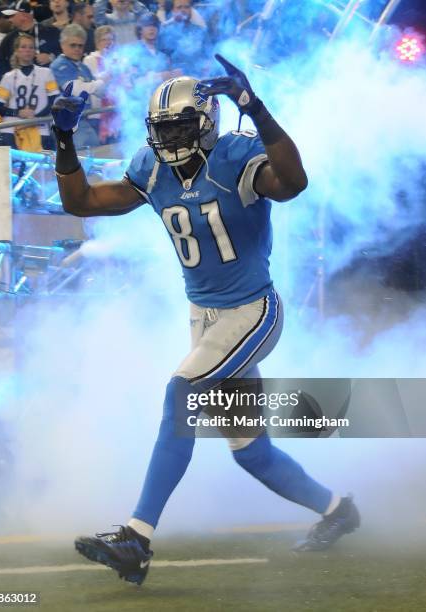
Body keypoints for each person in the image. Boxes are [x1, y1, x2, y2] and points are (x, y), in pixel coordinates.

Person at [51, 54, 360, 585]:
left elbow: (293, 182)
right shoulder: (151, 168)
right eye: (163, 128)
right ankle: (338, 511)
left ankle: (136, 538)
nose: (171, 138)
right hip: (206, 318)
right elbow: (82, 201)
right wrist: (63, 139)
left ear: (208, 121)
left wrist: (256, 108)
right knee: (252, 454)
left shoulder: (237, 155)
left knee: (181, 392)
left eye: (182, 125)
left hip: (253, 310)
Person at [0, 32, 59, 149]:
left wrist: (36, 118)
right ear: (16, 51)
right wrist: (18, 113)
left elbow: (53, 101)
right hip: (14, 125)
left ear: (35, 51)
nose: (28, 50)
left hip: (40, 123)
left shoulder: (46, 73)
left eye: (31, 47)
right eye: (23, 47)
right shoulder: (8, 77)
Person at [50, 23, 105, 148]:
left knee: (95, 155)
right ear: (62, 45)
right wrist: (100, 82)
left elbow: (101, 92)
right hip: (67, 123)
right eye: (73, 45)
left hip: (85, 121)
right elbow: (74, 88)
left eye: (80, 46)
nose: (77, 49)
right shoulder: (58, 65)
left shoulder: (83, 67)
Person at [0, 1, 60, 88]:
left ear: (23, 15)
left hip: (48, 86)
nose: (9, 19)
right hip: (18, 89)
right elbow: (0, 65)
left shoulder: (51, 32)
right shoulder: (8, 40)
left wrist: (52, 57)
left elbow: (65, 53)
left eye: (12, 15)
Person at [157, 0, 209, 76]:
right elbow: (161, 60)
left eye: (186, 7)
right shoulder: (165, 33)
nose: (183, 10)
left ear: (191, 9)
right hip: (176, 80)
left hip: (198, 77)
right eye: (179, 7)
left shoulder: (200, 31)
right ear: (172, 10)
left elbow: (208, 56)